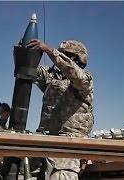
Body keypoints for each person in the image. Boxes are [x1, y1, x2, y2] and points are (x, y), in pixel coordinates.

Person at [26, 39, 94, 180]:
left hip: (70, 144)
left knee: (60, 176)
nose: (57, 59)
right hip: (45, 140)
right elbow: (28, 68)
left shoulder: (84, 79)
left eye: (64, 55)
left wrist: (50, 51)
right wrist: (26, 51)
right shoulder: (52, 77)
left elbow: (75, 74)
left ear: (76, 58)